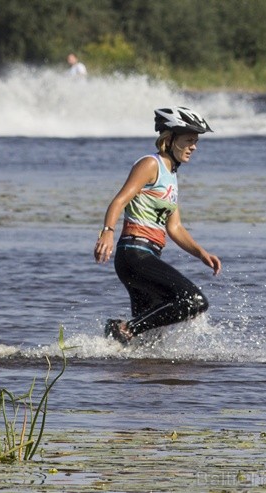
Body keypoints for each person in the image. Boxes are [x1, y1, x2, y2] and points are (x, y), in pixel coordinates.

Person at [94, 107, 222, 344]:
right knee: (194, 301)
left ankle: (116, 363)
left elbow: (175, 228)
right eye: (189, 141)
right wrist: (107, 232)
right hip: (134, 255)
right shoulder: (150, 164)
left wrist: (201, 253)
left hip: (146, 255)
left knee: (150, 343)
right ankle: (123, 328)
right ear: (170, 139)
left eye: (196, 141)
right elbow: (120, 200)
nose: (194, 147)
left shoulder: (172, 175)